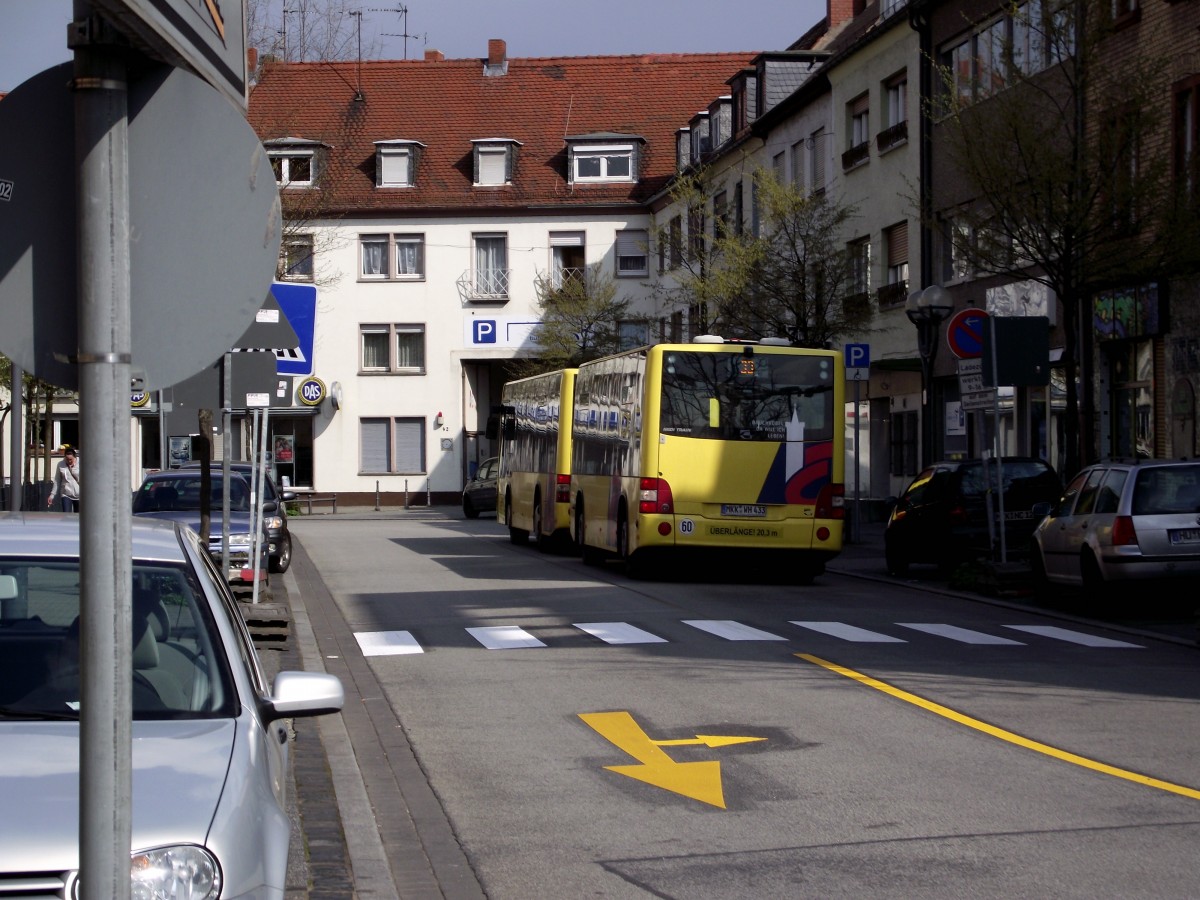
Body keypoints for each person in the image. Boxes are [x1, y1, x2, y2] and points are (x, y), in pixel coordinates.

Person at [47, 447, 81, 512]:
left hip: (79, 495)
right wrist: (52, 495)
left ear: (75, 457)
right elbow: (57, 480)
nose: (69, 461)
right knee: (66, 515)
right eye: (67, 459)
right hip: (66, 494)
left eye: (71, 459)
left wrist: (72, 469)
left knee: (78, 517)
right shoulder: (61, 464)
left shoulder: (81, 463)